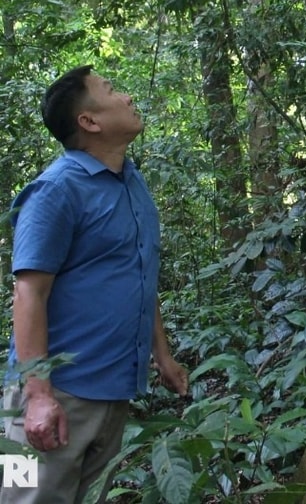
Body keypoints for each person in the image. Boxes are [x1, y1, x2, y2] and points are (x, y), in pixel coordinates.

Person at [2, 66, 189, 503]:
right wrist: (37, 397)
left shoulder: (131, 181)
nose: (126, 96)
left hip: (113, 388)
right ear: (89, 122)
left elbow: (138, 272)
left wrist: (162, 354)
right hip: (47, 397)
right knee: (18, 497)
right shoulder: (54, 191)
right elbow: (28, 293)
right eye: (111, 91)